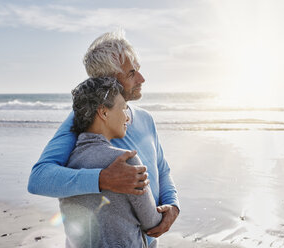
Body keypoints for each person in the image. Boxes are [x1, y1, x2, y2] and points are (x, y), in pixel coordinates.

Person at [27, 31, 179, 245]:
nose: (142, 79)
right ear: (107, 81)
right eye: (131, 73)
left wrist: (173, 205)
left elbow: (162, 170)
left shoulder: (146, 119)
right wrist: (102, 179)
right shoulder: (82, 121)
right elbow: (39, 178)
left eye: (139, 70)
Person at [61, 77, 161, 247]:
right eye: (123, 109)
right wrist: (167, 211)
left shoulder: (64, 165)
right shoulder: (125, 162)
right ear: (104, 112)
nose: (127, 118)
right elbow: (151, 223)